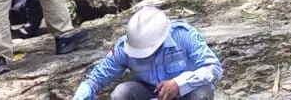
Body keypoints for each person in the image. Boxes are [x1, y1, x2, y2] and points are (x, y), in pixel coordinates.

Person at [71, 6, 224, 100]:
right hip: (151, 94)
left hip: (187, 93)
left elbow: (213, 67)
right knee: (121, 93)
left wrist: (180, 83)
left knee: (201, 93)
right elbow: (95, 79)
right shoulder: (124, 48)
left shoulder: (183, 35)